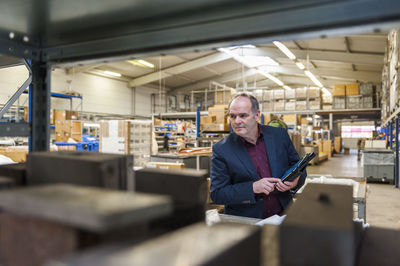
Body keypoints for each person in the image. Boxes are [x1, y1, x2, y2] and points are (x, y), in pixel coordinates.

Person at [210, 92, 307, 219]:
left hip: (283, 215)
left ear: (257, 115)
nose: (237, 121)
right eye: (232, 116)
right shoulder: (222, 149)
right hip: (247, 222)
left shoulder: (279, 135)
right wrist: (252, 188)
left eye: (243, 115)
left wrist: (296, 181)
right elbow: (217, 193)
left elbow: (298, 166)